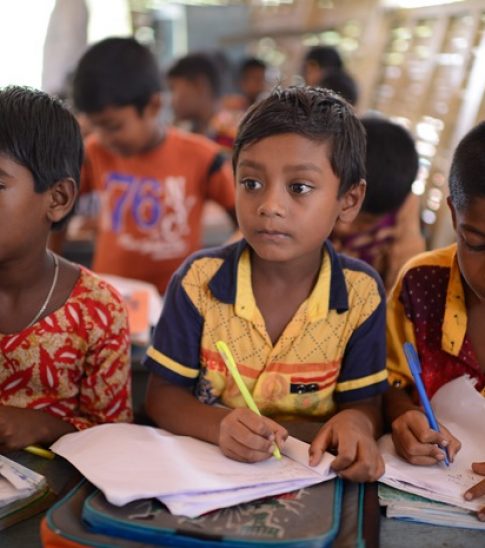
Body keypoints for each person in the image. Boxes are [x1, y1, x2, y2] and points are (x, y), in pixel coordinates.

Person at [144, 86, 388, 482]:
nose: (269, 205)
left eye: (299, 188)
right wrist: (217, 426)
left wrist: (357, 424)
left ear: (349, 199)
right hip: (208, 478)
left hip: (310, 482)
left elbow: (366, 403)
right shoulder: (198, 282)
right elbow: (161, 396)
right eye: (252, 183)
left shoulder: (360, 294)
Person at [0, 86, 132, 452]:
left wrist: (44, 426)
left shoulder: (97, 310)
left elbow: (117, 440)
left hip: (60, 502)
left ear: (57, 199)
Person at [71, 38, 236, 294]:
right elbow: (54, 211)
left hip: (178, 301)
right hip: (109, 298)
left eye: (114, 126)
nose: (103, 137)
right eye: (96, 127)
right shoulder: (94, 153)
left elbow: (245, 221)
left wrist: (216, 271)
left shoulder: (202, 157)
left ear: (154, 106)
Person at [384, 121, 485, 519]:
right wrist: (400, 415)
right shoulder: (421, 284)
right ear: (453, 215)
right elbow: (392, 381)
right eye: (477, 244)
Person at [331, 116, 423, 291]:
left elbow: (402, 297)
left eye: (365, 221)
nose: (344, 227)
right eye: (341, 207)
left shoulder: (400, 222)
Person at [167, 52, 241, 152]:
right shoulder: (187, 131)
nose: (171, 101)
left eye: (173, 88)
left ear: (198, 85)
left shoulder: (231, 137)